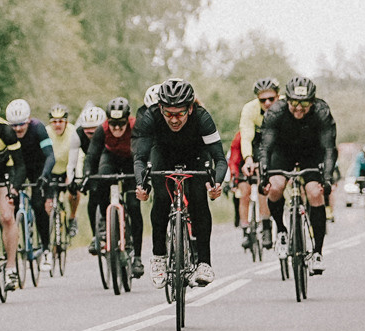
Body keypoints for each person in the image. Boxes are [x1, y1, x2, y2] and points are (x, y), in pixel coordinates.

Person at [133, 79, 225, 285]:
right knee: (161, 197)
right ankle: (159, 257)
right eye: (168, 114)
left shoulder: (202, 117)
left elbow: (220, 159)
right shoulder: (151, 117)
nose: (174, 120)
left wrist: (216, 184)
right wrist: (142, 185)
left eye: (180, 113)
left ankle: (204, 263)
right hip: (163, 155)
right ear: (160, 108)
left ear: (190, 109)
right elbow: (140, 159)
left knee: (198, 198)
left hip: (195, 156)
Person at [255, 76, 340, 272]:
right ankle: (281, 230)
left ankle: (317, 253)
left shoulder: (321, 112)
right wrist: (264, 176)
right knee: (275, 187)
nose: (299, 108)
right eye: (294, 103)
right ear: (286, 100)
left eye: (305, 103)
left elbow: (329, 148)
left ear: (313, 102)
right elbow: (265, 147)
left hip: (311, 154)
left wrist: (327, 178)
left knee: (315, 192)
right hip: (283, 152)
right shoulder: (276, 112)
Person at [0, 98, 56, 279]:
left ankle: (46, 248)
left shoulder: (38, 128)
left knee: (38, 205)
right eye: (14, 125)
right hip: (17, 168)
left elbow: (50, 156)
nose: (18, 129)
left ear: (29, 120)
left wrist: (45, 175)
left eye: (21, 124)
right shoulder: (7, 132)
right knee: (10, 207)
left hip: (37, 169)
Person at [86, 96, 144, 278]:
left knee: (134, 206)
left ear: (128, 120)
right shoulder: (102, 130)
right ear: (107, 121)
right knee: (101, 181)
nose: (117, 128)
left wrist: (146, 175)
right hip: (110, 157)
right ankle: (106, 222)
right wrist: (87, 176)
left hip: (132, 161)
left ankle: (137, 257)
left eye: (121, 124)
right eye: (113, 124)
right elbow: (91, 155)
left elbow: (145, 152)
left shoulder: (136, 127)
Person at [236, 77, 281, 249]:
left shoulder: (285, 106)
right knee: (262, 178)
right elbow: (246, 136)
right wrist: (248, 158)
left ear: (278, 96)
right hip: (258, 143)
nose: (267, 103)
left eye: (271, 99)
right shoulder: (250, 109)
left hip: (279, 143)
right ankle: (265, 224)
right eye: (263, 100)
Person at [76, 103, 107, 248]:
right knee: (93, 197)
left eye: (96, 130)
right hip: (92, 162)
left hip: (110, 159)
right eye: (88, 131)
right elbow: (75, 158)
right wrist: (76, 177)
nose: (92, 134)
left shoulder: (109, 131)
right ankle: (96, 236)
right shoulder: (78, 134)